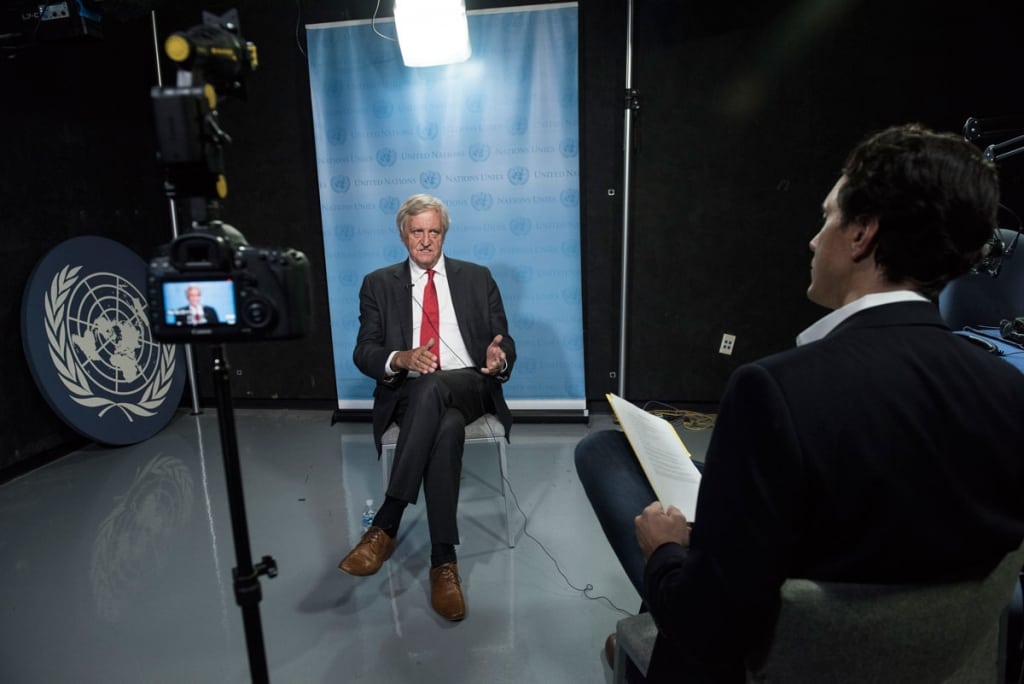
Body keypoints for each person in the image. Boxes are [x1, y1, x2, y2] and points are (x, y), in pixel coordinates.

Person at [575, 123, 1024, 681]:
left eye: (828, 217)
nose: (815, 239)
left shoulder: (774, 389)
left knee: (607, 461)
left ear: (862, 234)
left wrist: (664, 552)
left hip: (776, 659)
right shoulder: (1009, 390)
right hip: (944, 660)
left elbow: (708, 626)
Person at [337, 193, 516, 621]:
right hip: (409, 395)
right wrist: (400, 358)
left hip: (470, 384)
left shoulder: (477, 277)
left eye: (433, 231)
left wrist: (500, 356)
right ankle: (443, 561)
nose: (425, 240)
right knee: (446, 425)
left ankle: (386, 522)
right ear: (403, 234)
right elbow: (364, 352)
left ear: (444, 234)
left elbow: (502, 339)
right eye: (417, 231)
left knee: (438, 390)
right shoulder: (378, 284)